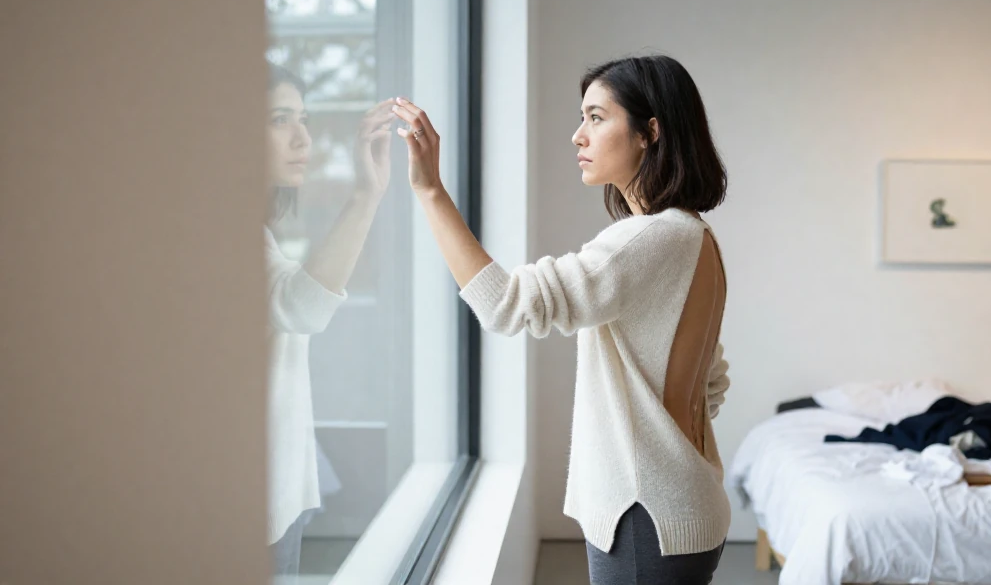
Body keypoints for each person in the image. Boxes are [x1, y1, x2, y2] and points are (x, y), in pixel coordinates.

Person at [395, 54, 732, 584]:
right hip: (682, 507)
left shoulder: (647, 238)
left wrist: (430, 192)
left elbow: (507, 304)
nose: (578, 135)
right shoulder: (695, 236)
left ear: (650, 132)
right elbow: (710, 383)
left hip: (644, 516)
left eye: (597, 118)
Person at [263, 63, 400, 581]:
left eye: (303, 118)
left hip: (280, 494)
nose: (302, 137)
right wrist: (366, 195)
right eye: (280, 119)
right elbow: (300, 307)